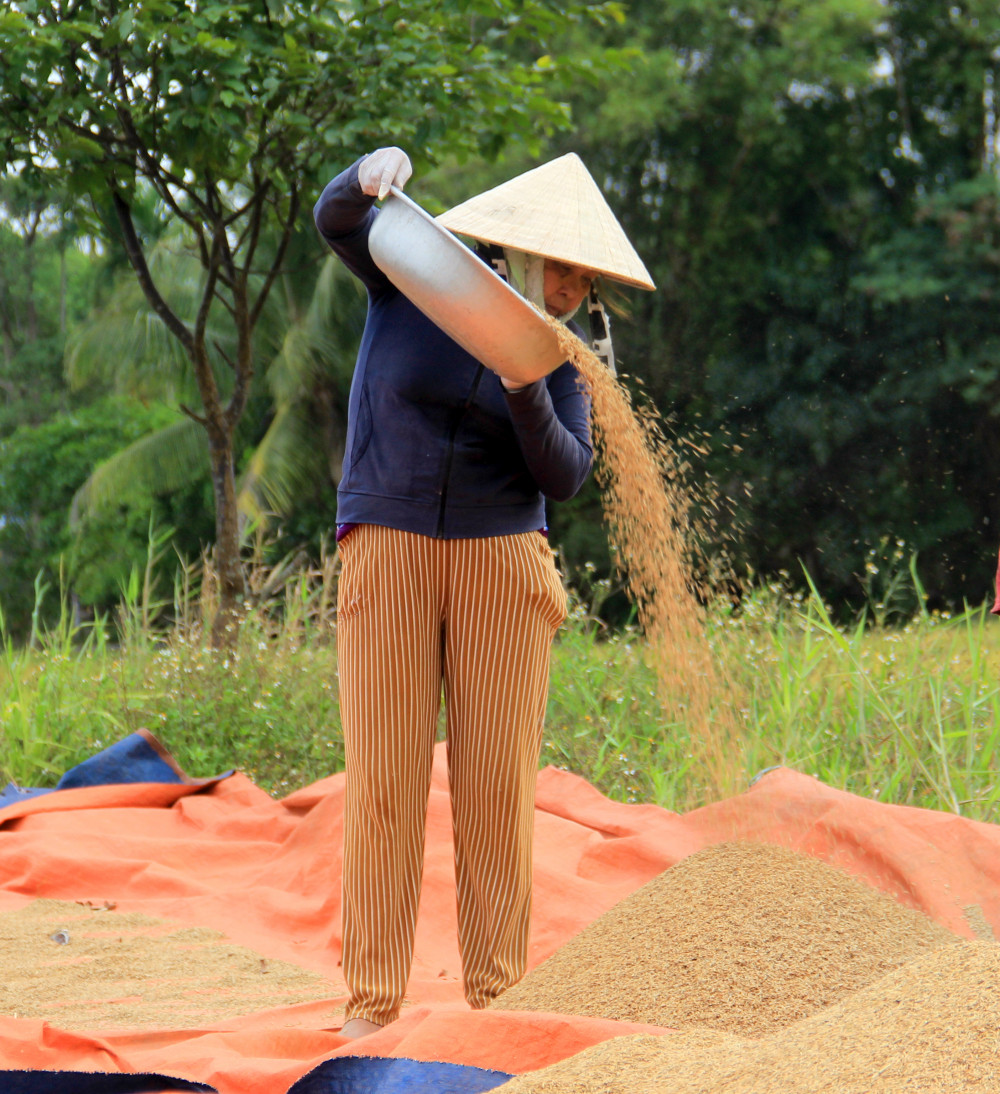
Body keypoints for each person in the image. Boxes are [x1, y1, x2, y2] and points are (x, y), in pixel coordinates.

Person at [313, 146, 654, 1039]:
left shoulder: (562, 358)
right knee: (384, 779)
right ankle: (372, 1007)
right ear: (520, 251)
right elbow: (340, 221)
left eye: (587, 281)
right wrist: (367, 173)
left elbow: (566, 473)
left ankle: (497, 999)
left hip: (502, 561)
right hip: (387, 544)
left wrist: (524, 380)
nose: (574, 292)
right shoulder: (415, 284)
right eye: (564, 271)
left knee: (496, 787)